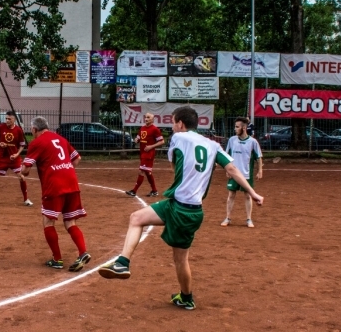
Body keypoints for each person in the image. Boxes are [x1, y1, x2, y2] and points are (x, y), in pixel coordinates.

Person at [98, 106, 264, 310]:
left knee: (136, 220)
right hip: (193, 211)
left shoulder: (178, 138)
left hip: (178, 207)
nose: (172, 128)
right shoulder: (213, 145)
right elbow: (231, 168)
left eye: (173, 123)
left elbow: (174, 164)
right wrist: (253, 193)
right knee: (179, 258)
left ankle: (123, 262)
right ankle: (186, 298)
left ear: (181, 124)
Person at [22, 116, 91, 273]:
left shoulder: (36, 143)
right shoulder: (60, 138)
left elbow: (25, 170)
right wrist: (63, 168)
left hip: (54, 186)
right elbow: (77, 159)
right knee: (70, 222)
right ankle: (82, 252)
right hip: (72, 183)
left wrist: (22, 172)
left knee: (48, 222)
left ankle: (57, 259)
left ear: (34, 129)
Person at [221, 117, 263, 228]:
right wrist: (227, 169)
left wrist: (260, 170)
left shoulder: (253, 142)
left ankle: (249, 219)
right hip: (234, 173)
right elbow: (226, 155)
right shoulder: (232, 140)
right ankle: (228, 218)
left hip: (246, 174)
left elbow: (258, 157)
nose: (235, 129)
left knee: (248, 196)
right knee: (231, 195)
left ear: (244, 128)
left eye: (237, 127)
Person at [0, 111, 32, 206]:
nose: (7, 120)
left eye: (9, 119)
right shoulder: (1, 127)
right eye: (6, 118)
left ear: (14, 120)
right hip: (2, 156)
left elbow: (22, 145)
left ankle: (26, 200)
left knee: (21, 177)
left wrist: (17, 154)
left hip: (14, 158)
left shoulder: (18, 130)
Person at [125, 112, 164, 197]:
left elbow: (162, 141)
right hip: (142, 153)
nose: (146, 119)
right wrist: (136, 140)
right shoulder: (142, 128)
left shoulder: (155, 129)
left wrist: (151, 146)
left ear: (152, 119)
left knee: (141, 171)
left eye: (148, 117)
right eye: (145, 117)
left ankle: (134, 191)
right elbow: (139, 138)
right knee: (147, 172)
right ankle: (154, 190)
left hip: (149, 154)